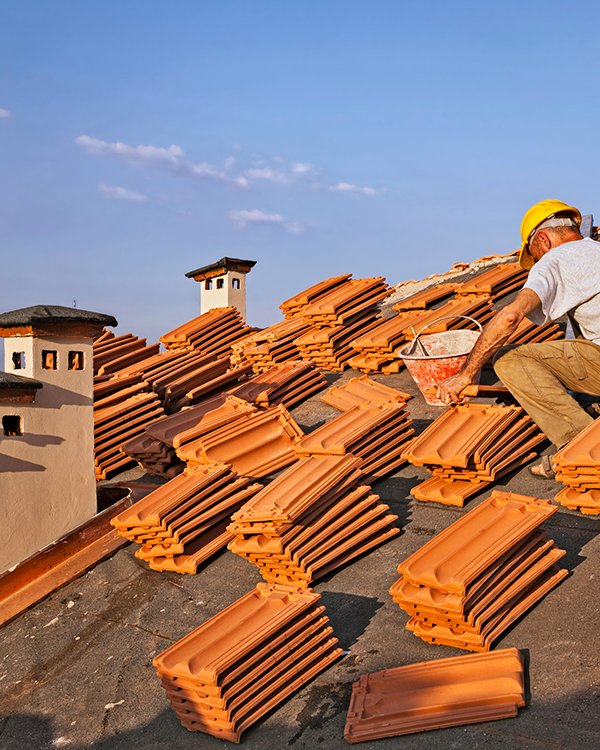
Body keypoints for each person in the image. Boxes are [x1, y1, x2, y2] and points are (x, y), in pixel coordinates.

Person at [437, 199, 600, 478]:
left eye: (534, 255)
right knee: (583, 340)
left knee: (511, 359)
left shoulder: (556, 259)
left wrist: (465, 374)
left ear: (544, 240)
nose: (536, 261)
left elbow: (510, 317)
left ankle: (581, 447)